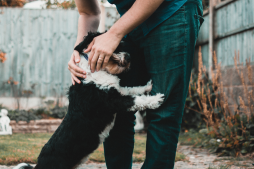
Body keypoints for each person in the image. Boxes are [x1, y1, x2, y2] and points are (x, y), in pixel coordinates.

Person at [68, 0, 203, 168]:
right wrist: (79, 52)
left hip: (172, 11)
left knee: (164, 109)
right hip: (131, 19)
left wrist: (114, 34)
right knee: (115, 109)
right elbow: (88, 12)